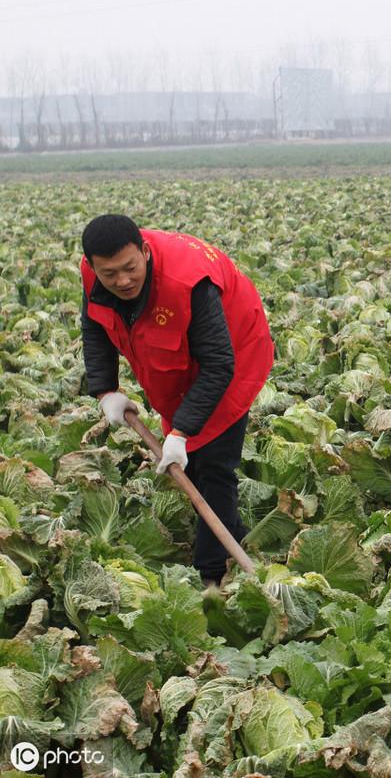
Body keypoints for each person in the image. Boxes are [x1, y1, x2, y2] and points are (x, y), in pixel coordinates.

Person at [79, 215, 274, 587]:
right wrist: (106, 390)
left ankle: (213, 577)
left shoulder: (189, 283)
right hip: (175, 359)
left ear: (145, 252)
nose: (122, 281)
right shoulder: (93, 275)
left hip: (235, 352)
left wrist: (181, 432)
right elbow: (95, 325)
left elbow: (218, 364)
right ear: (92, 266)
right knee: (194, 465)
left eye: (130, 268)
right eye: (110, 274)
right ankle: (235, 535)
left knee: (213, 465)